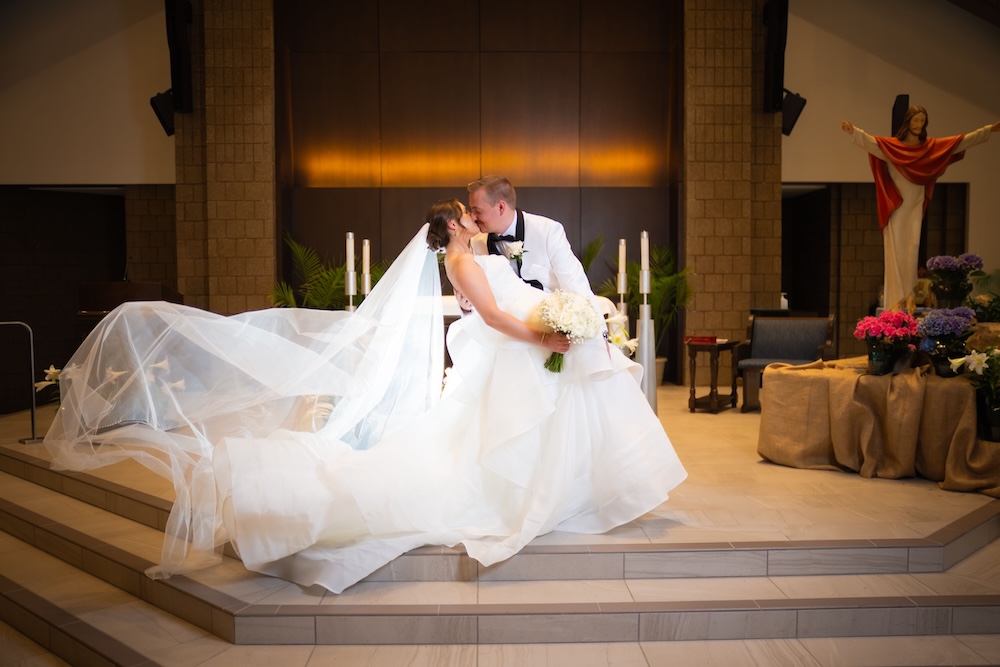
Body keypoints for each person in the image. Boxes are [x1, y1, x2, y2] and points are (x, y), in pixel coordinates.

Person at [42, 199, 686, 594]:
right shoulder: (462, 262)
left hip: (520, 359)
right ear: (455, 227)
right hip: (519, 349)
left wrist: (553, 324)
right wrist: (545, 334)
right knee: (468, 458)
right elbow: (490, 317)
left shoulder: (477, 254)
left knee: (518, 434)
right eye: (467, 215)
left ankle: (560, 491)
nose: (474, 216)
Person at [840, 107, 999, 311]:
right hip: (897, 207)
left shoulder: (929, 149)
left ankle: (908, 295)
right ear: (908, 122)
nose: (919, 125)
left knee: (912, 248)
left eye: (922, 121)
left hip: (915, 206)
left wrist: (987, 130)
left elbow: (959, 141)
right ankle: (896, 300)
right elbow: (871, 142)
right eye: (915, 120)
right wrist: (853, 131)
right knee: (896, 250)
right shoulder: (891, 148)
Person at [454, 175, 598, 314]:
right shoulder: (477, 242)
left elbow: (576, 286)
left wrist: (594, 333)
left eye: (477, 211)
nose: (472, 217)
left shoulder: (548, 231)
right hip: (505, 330)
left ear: (501, 208)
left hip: (551, 325)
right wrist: (467, 308)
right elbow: (482, 303)